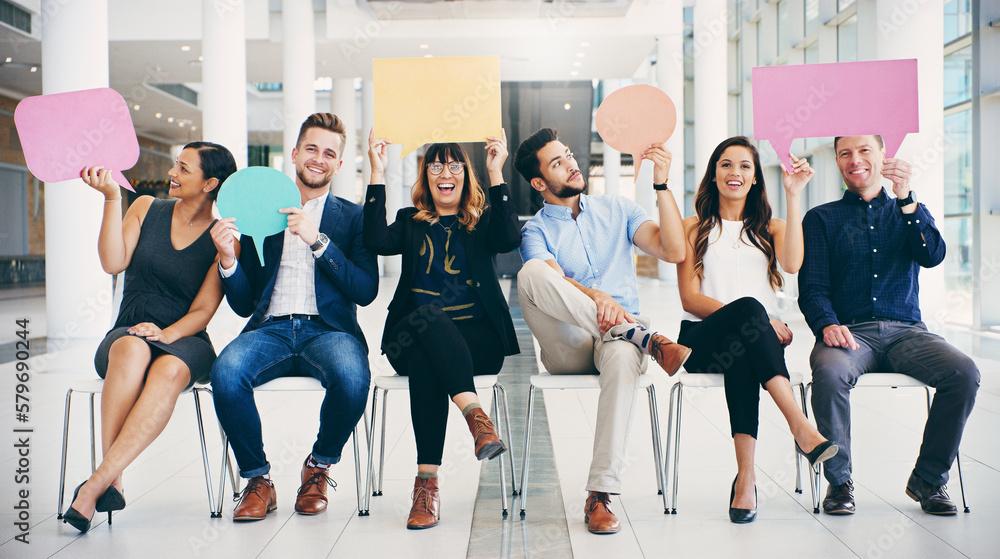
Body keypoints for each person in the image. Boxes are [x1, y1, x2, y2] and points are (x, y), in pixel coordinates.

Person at [513, 127, 690, 534]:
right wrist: (597, 297)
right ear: (539, 182)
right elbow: (551, 280)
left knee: (624, 353)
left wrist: (661, 184)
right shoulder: (536, 231)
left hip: (616, 344)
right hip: (570, 343)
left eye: (569, 155)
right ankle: (644, 337)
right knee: (532, 272)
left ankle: (600, 495)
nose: (572, 164)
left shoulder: (619, 209)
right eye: (558, 162)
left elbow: (674, 251)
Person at [209, 113, 378, 522]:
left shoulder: (353, 217)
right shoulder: (259, 213)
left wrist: (318, 241)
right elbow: (245, 303)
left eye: (329, 153)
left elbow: (366, 290)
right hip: (271, 329)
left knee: (354, 377)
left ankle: (318, 467)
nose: (319, 159)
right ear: (295, 153)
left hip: (328, 330)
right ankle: (258, 480)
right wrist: (229, 260)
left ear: (339, 164)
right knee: (225, 373)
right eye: (312, 149)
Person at [799, 134, 980, 516]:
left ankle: (928, 480)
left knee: (963, 372)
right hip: (849, 333)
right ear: (836, 162)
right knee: (829, 375)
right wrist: (827, 324)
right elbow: (813, 288)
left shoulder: (910, 209)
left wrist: (907, 199)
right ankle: (840, 482)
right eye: (845, 153)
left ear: (883, 156)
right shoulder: (820, 218)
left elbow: (932, 256)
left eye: (865, 150)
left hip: (907, 333)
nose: (855, 159)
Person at [63, 142, 236, 533]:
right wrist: (111, 199)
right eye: (176, 165)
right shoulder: (145, 207)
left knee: (170, 370)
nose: (172, 173)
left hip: (185, 338)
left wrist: (167, 333)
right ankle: (112, 479)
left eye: (183, 168)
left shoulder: (222, 237)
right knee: (130, 349)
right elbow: (113, 261)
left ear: (209, 183)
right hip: (131, 327)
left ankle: (94, 486)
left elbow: (204, 311)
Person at [363, 129, 520, 529]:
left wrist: (497, 172)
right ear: (425, 175)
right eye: (436, 164)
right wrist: (376, 171)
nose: (444, 171)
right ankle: (477, 419)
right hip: (409, 333)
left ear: (465, 175)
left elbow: (509, 238)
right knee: (430, 318)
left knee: (427, 361)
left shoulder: (481, 223)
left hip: (478, 340)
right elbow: (375, 239)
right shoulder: (409, 221)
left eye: (453, 164)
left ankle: (426, 484)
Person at [675, 136, 837, 523]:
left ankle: (745, 480)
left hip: (750, 348)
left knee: (744, 346)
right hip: (701, 342)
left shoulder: (773, 227)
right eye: (726, 165)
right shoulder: (692, 227)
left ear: (755, 178)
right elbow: (690, 299)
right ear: (714, 175)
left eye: (745, 166)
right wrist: (760, 320)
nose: (735, 173)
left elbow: (794, 266)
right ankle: (800, 426)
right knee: (750, 311)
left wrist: (794, 194)